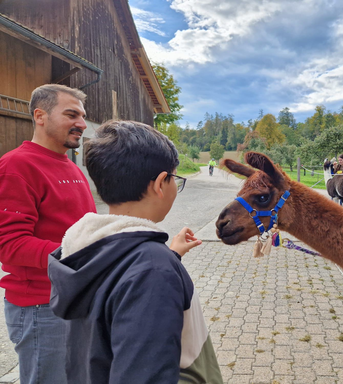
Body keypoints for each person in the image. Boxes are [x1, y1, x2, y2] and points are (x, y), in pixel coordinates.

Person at [48, 120, 223, 384]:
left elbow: (116, 294)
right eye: (175, 179)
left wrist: (170, 255)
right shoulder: (153, 269)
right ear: (161, 183)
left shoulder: (86, 249)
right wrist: (161, 264)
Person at [0, 84, 96, 383]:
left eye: (82, 116)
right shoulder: (16, 166)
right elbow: (10, 245)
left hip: (76, 299)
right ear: (40, 116)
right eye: (71, 114)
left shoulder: (72, 167)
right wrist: (84, 251)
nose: (81, 123)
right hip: (42, 308)